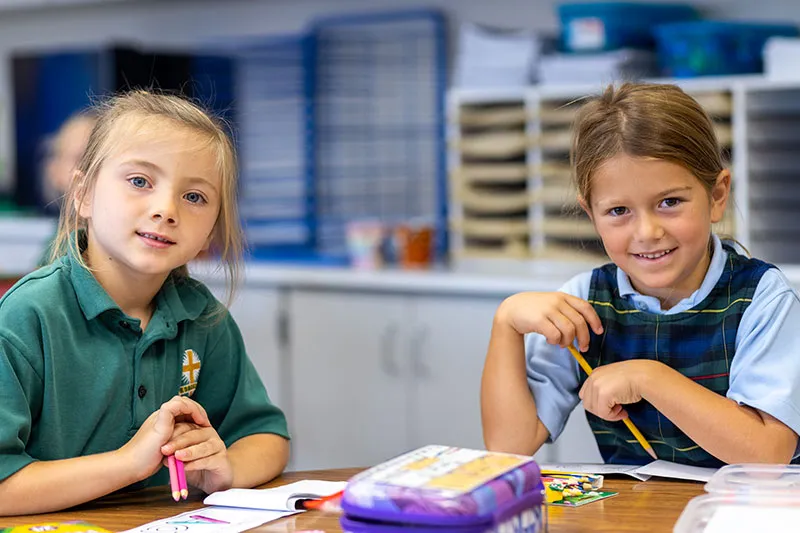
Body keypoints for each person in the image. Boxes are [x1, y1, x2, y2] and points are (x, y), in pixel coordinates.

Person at [0, 90, 290, 515]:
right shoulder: (28, 316)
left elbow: (268, 437)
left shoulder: (204, 318)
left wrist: (225, 466)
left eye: (195, 197)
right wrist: (128, 464)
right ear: (82, 194)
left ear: (211, 229)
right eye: (140, 181)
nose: (166, 209)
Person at [481, 83, 800, 467]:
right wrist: (506, 325)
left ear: (717, 196)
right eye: (618, 211)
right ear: (591, 214)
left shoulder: (763, 299)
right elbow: (508, 446)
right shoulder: (582, 302)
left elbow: (768, 454)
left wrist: (649, 378)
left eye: (670, 202)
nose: (647, 232)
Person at [38, 111, 98, 266]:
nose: (93, 171)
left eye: (100, 160)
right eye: (81, 159)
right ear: (54, 171)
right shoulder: (55, 253)